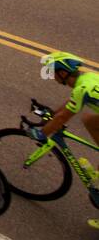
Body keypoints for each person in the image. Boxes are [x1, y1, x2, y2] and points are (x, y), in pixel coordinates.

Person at [30, 52, 99, 227]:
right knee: (89, 119)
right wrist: (52, 113)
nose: (52, 77)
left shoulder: (81, 89)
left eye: (53, 72)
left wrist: (42, 133)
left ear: (62, 73)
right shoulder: (88, 79)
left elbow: (63, 118)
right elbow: (70, 104)